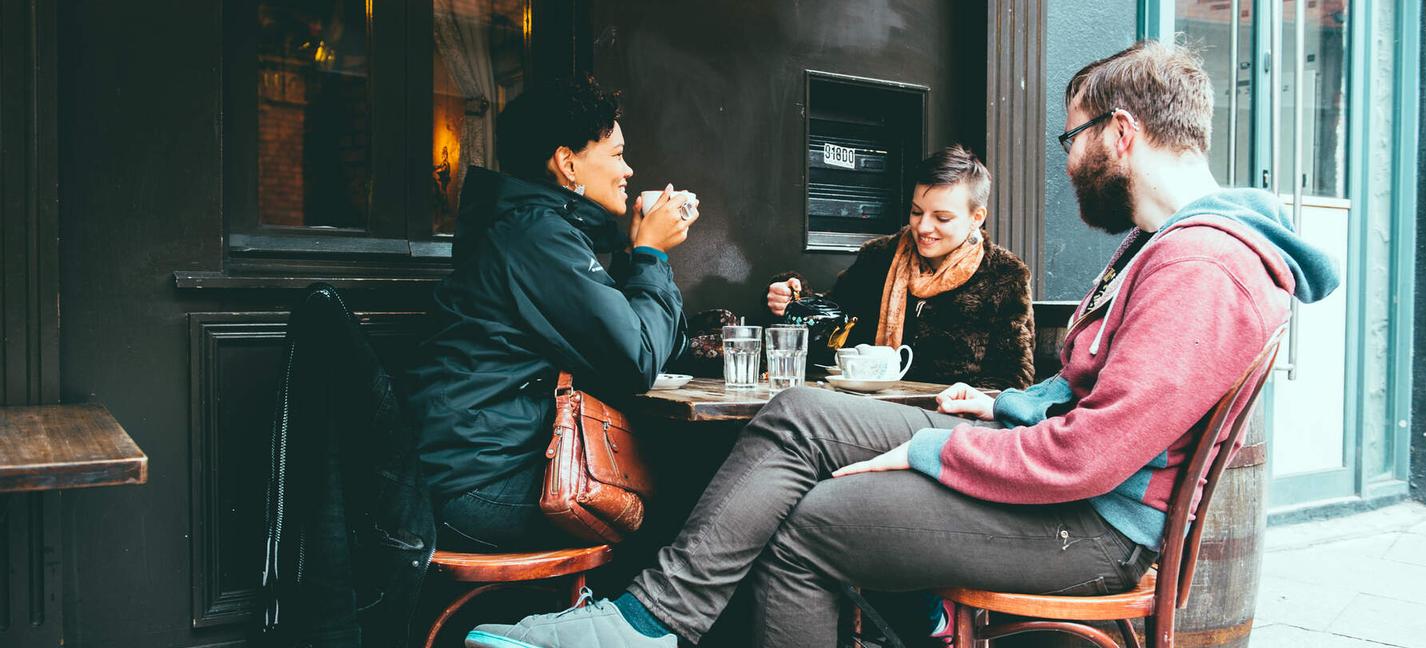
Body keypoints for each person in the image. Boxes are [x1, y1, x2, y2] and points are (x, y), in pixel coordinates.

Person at [465, 40, 1339, 648]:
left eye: (1070, 138)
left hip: (1093, 528)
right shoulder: (1168, 247)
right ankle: (648, 623)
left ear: (1119, 131)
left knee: (810, 524)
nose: (1068, 159)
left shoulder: (1203, 265)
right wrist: (1002, 406)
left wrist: (930, 450)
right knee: (800, 411)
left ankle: (652, 622)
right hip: (1062, 477)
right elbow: (1088, 402)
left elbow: (1089, 456)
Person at [406, 75, 698, 552]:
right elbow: (637, 358)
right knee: (685, 503)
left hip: (478, 468)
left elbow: (639, 343)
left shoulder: (532, 229)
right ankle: (619, 603)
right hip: (479, 485)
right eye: (617, 155)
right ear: (567, 162)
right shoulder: (536, 235)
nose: (628, 170)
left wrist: (636, 254)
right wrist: (651, 255)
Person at [767, 144, 1035, 389]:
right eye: (917, 212)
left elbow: (1012, 379)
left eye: (942, 218)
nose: (924, 227)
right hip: (868, 405)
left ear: (976, 217)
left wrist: (963, 403)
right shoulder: (879, 257)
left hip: (948, 417)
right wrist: (795, 299)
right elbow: (834, 325)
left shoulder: (1004, 276)